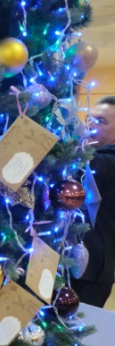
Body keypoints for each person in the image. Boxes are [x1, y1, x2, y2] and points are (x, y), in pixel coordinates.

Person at [71, 96, 115, 307]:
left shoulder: (106, 161)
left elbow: (87, 165)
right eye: (87, 118)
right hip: (71, 265)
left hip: (90, 273)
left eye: (100, 121)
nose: (89, 124)